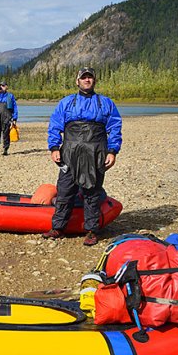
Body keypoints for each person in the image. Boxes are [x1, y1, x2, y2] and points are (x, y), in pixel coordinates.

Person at [42, 67, 122, 246]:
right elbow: (55, 125)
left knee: (92, 191)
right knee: (64, 190)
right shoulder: (66, 103)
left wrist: (112, 151)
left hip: (96, 151)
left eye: (90, 78)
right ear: (77, 81)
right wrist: (54, 147)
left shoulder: (106, 103)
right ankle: (58, 227)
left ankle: (92, 230)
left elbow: (115, 128)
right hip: (70, 152)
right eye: (83, 78)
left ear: (94, 81)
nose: (87, 80)